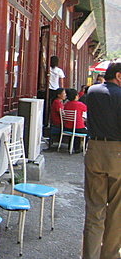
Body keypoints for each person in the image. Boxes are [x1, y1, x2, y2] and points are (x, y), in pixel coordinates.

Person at [83, 62, 121, 259]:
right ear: (119, 76)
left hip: (94, 149)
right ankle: (110, 255)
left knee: (94, 208)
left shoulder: (92, 91)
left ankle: (90, 255)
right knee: (116, 211)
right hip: (117, 152)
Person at [63, 88, 88, 152]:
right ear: (75, 96)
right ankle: (82, 148)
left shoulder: (66, 104)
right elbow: (86, 113)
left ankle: (71, 147)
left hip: (67, 127)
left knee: (75, 129)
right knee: (87, 132)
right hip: (78, 128)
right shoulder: (80, 104)